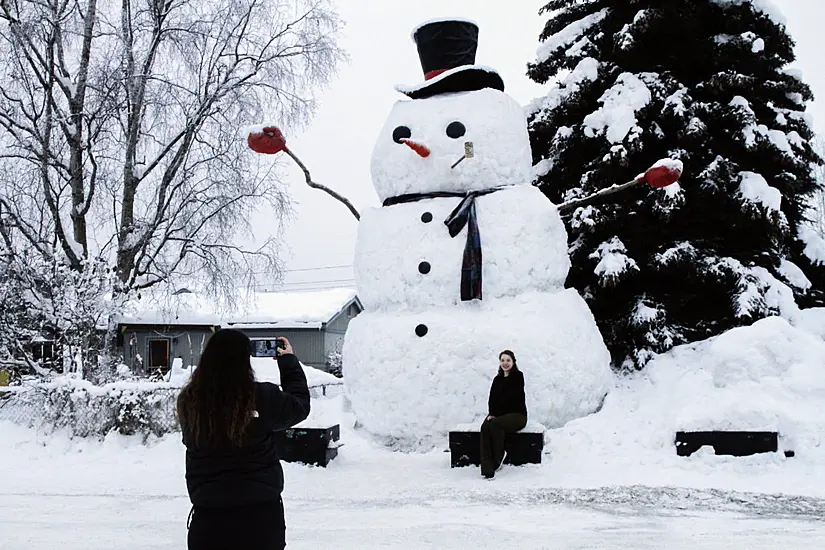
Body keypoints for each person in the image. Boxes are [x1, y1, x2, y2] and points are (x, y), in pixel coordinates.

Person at [177, 329, 310, 549]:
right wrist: (288, 362)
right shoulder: (262, 397)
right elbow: (300, 406)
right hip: (261, 520)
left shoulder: (190, 402)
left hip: (209, 521)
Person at [479, 349, 527, 479]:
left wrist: (497, 415)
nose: (505, 363)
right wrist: (492, 413)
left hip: (517, 415)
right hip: (498, 415)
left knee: (495, 424)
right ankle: (487, 468)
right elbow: (492, 399)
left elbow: (513, 399)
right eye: (502, 360)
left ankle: (498, 458)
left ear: (513, 362)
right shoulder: (497, 379)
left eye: (508, 360)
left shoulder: (518, 377)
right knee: (485, 426)